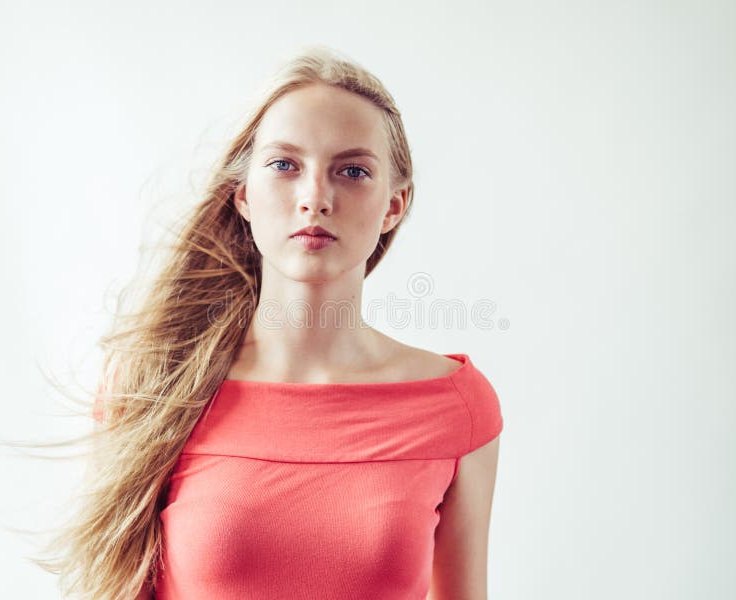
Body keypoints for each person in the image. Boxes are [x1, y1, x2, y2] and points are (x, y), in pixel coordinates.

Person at [37, 45, 503, 600]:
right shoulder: (154, 383)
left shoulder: (455, 406)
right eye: (284, 166)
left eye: (352, 171)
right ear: (244, 197)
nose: (315, 198)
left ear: (394, 205)